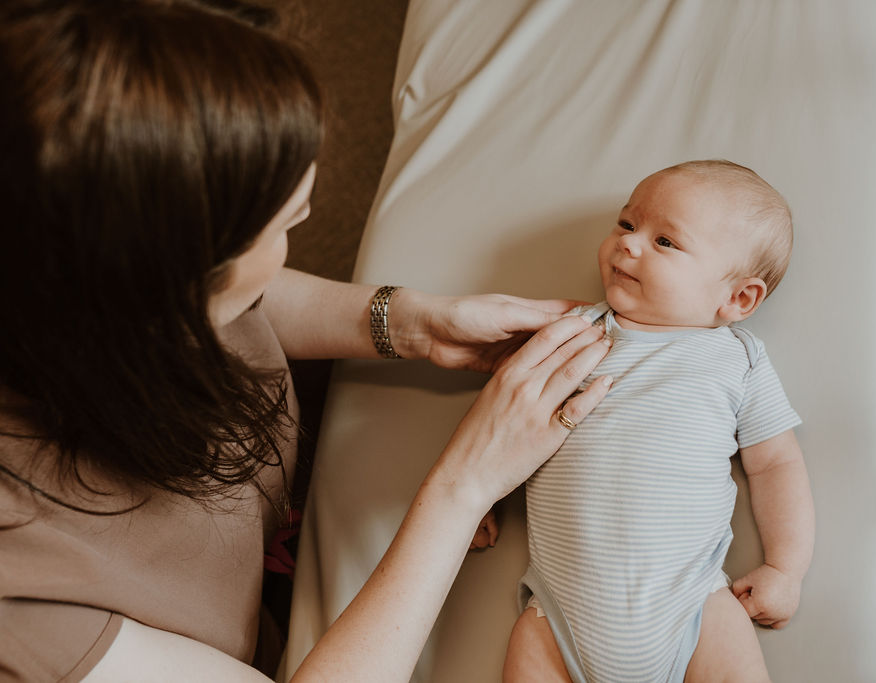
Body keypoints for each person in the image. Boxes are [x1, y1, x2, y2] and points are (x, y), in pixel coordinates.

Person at [0, 1, 613, 681]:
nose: (303, 229)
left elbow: (240, 297)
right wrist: (464, 486)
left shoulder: (63, 268)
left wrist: (405, 322)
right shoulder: (23, 607)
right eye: (286, 224)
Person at [499, 161, 815, 682]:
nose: (629, 244)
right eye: (626, 224)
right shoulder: (573, 333)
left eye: (665, 241)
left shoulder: (738, 359)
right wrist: (479, 500)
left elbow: (777, 464)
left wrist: (786, 567)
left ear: (738, 297)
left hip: (694, 608)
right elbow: (508, 421)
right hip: (558, 616)